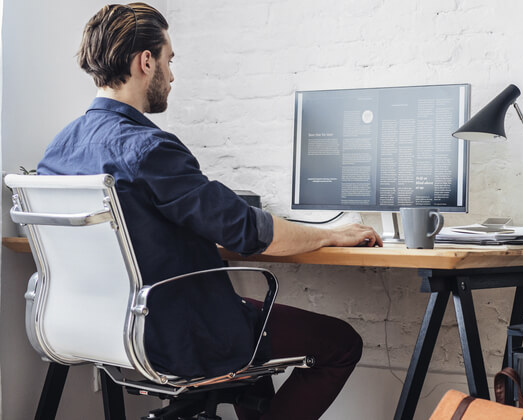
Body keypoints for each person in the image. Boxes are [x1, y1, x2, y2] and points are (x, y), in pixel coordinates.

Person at [37, 3, 382, 419]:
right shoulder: (149, 148)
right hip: (178, 335)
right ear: (146, 61)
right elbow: (249, 232)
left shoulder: (58, 150)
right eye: (170, 59)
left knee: (255, 337)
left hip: (104, 331)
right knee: (341, 342)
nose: (172, 74)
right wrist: (332, 233)